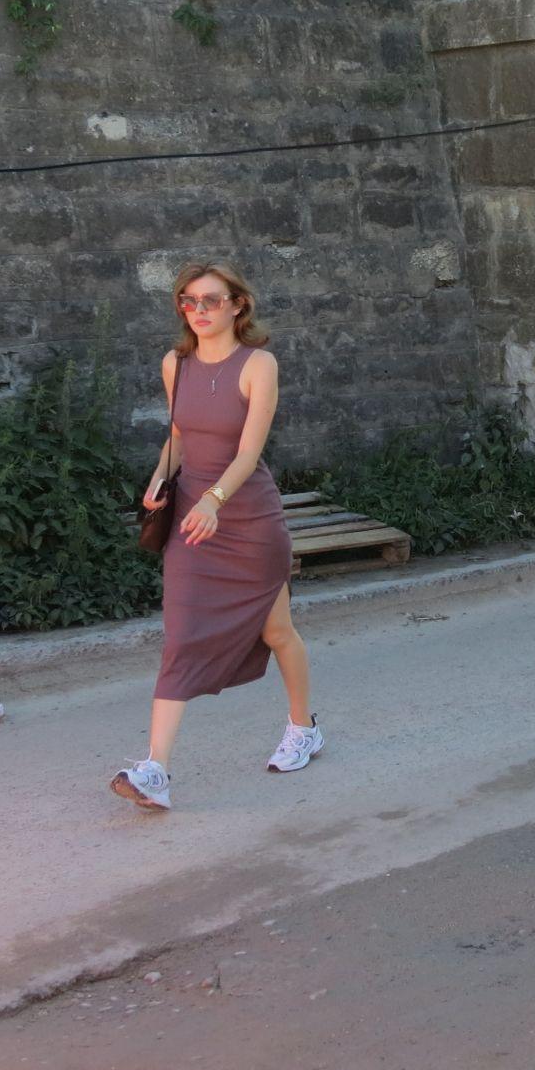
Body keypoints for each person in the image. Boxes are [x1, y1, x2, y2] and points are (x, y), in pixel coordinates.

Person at [111, 262, 316, 811]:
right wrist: (158, 480)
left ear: (237, 305)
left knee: (277, 631)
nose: (198, 311)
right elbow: (178, 437)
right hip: (192, 523)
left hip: (246, 518)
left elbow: (249, 452)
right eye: (188, 302)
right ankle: (155, 769)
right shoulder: (175, 363)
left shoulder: (259, 365)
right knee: (180, 635)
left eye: (210, 300)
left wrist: (214, 499)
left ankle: (304, 727)